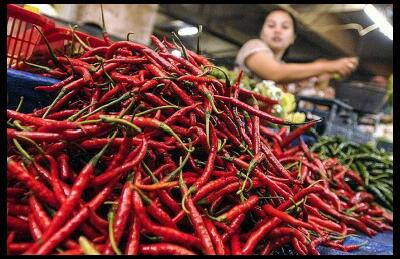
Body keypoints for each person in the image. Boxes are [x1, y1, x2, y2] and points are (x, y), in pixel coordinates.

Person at [234, 8, 359, 91]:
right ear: (261, 33)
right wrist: (326, 66)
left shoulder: (284, 67)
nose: (277, 30)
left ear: (293, 38)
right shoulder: (253, 46)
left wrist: (322, 80)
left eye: (285, 27)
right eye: (271, 25)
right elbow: (274, 73)